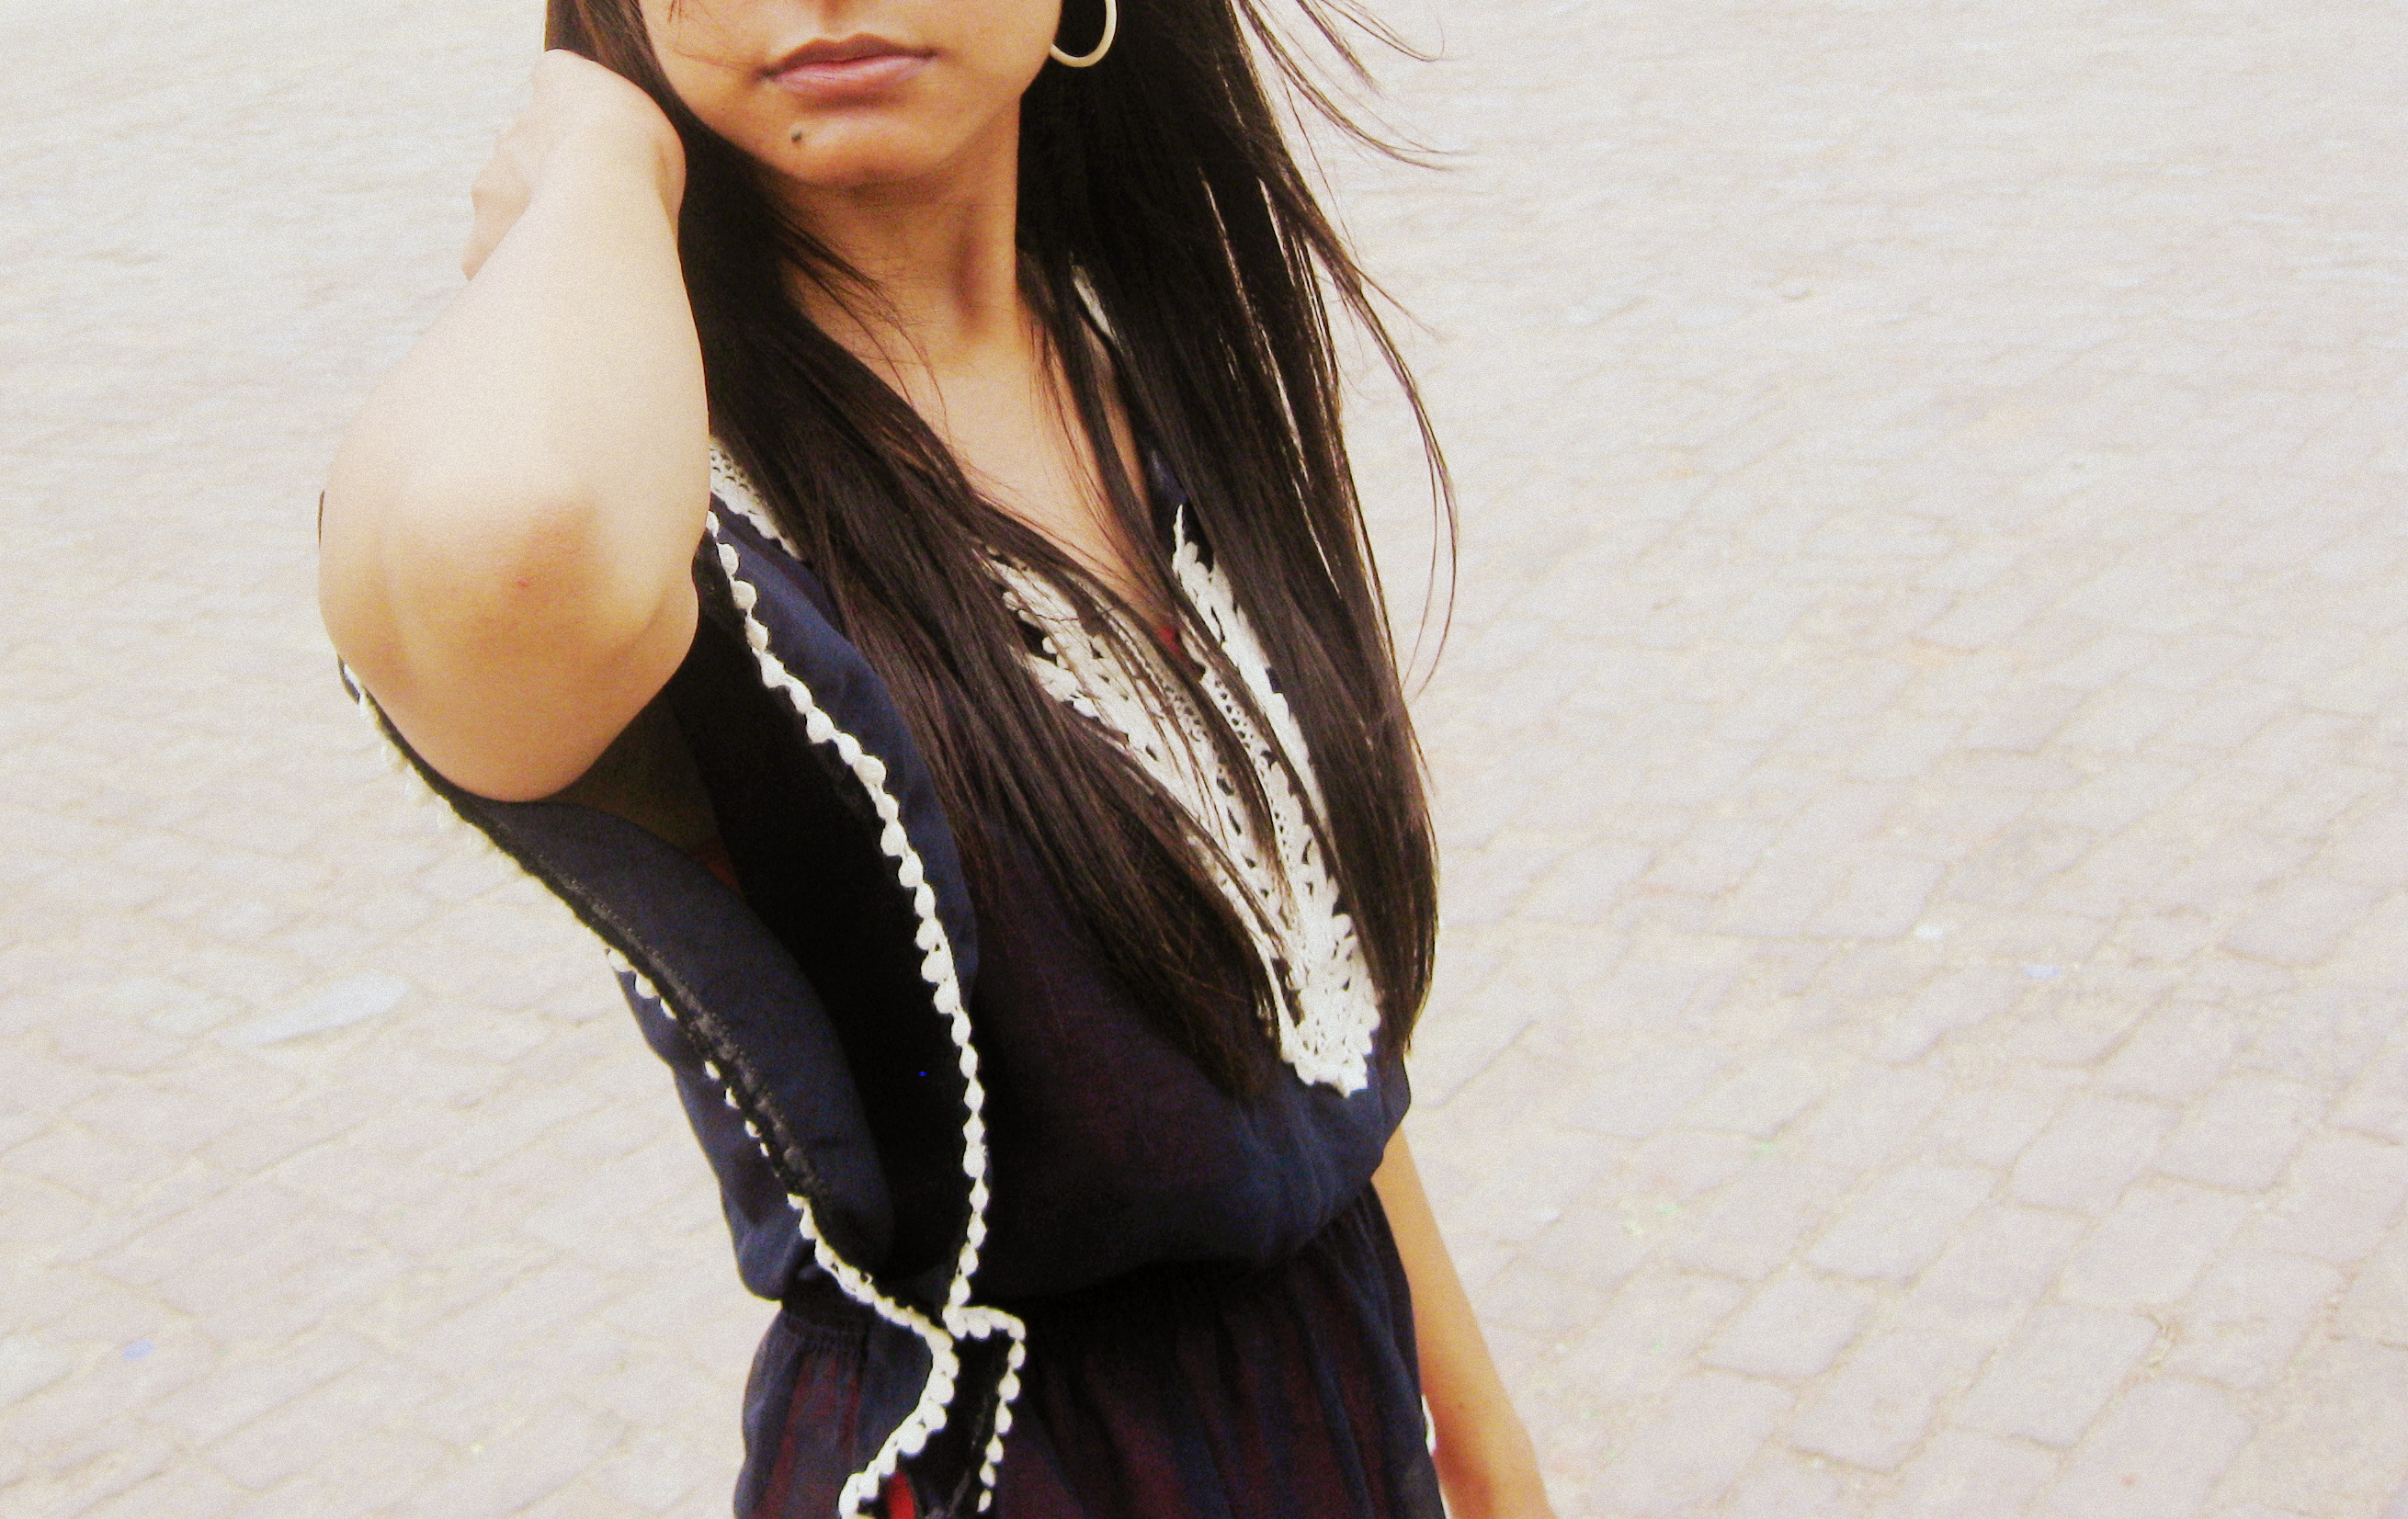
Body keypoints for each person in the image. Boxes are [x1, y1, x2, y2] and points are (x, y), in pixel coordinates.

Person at [317, 0, 1552, 1513]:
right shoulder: (667, 499)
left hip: (1334, 1426)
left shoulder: (1122, 347)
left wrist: (1484, 1443)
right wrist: (601, 152)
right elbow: (503, 547)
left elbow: (1305, 1035)